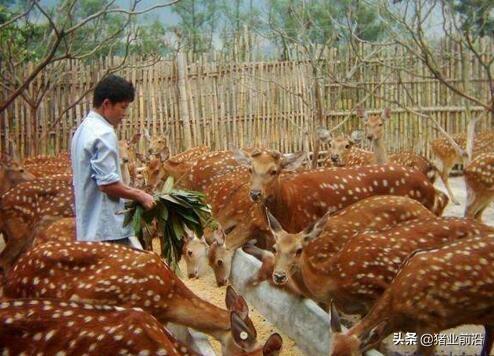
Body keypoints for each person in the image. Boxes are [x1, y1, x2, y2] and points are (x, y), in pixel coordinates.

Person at [71, 74, 155, 247]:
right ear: (107, 104)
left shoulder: (83, 129)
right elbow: (107, 185)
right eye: (123, 107)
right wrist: (140, 195)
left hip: (88, 230)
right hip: (108, 231)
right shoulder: (104, 133)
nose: (124, 114)